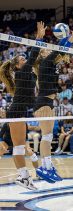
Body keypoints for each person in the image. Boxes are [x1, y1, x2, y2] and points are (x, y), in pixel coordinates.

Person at [34, 25, 73, 183]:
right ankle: (45, 167)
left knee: (48, 136)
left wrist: (67, 37)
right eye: (45, 50)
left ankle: (48, 166)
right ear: (43, 54)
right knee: (46, 136)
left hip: (48, 101)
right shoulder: (46, 61)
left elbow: (60, 50)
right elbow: (61, 49)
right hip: (43, 102)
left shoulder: (49, 63)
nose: (48, 50)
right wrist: (72, 37)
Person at [0, 22, 45, 190]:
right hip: (16, 112)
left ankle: (24, 177)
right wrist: (39, 37)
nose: (25, 60)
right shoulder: (22, 72)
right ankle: (24, 177)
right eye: (22, 59)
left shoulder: (25, 73)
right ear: (18, 65)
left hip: (20, 112)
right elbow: (33, 55)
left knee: (20, 146)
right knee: (18, 147)